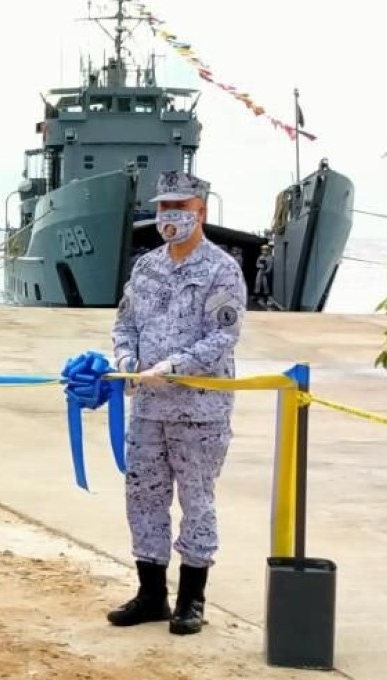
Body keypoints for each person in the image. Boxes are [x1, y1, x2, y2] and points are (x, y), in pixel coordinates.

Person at [109, 170, 247, 635]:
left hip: (199, 411)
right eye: (163, 208)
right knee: (143, 497)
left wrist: (171, 367)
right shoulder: (145, 267)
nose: (169, 218)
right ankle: (151, 595)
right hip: (147, 408)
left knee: (196, 500)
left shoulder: (222, 269)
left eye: (180, 209)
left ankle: (192, 599)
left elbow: (223, 336)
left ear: (201, 212)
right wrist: (127, 359)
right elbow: (124, 323)